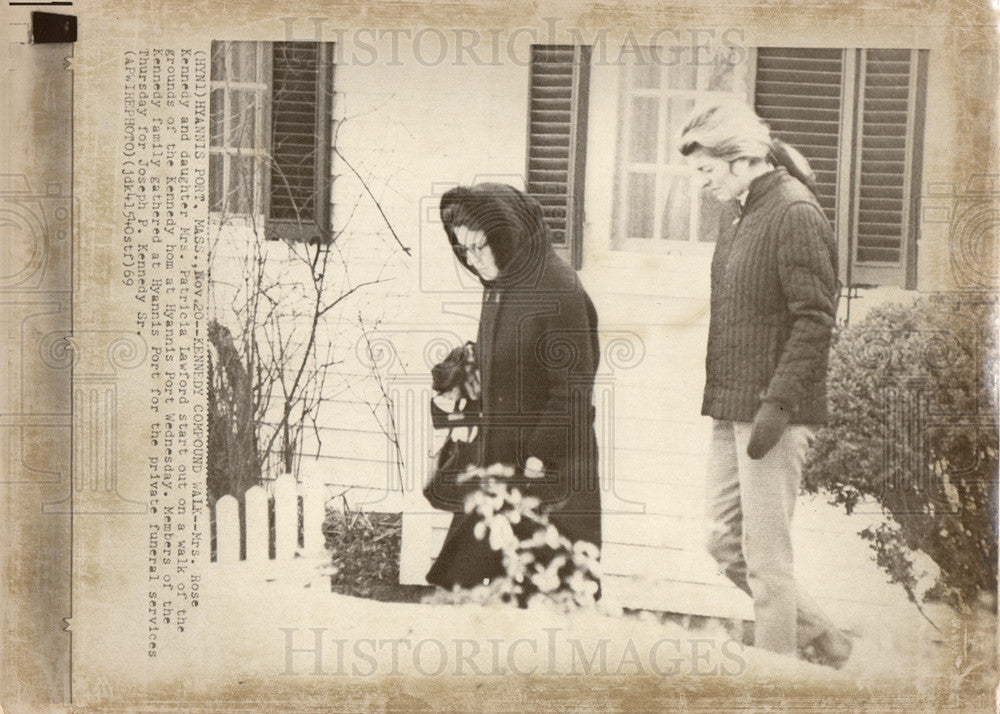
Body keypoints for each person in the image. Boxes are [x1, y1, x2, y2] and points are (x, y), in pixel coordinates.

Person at [679, 100, 853, 666]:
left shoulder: (794, 212)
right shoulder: (739, 213)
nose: (702, 183)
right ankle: (828, 640)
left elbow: (815, 317)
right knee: (723, 540)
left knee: (768, 562)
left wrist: (778, 405)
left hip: (772, 415)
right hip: (731, 408)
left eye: (707, 170)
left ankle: (775, 681)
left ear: (739, 159)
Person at [425, 183, 602, 593]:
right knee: (469, 589)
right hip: (500, 469)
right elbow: (510, 362)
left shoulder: (559, 290)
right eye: (462, 249)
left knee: (545, 599)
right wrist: (466, 376)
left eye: (480, 247)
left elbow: (572, 392)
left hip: (547, 476)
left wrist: (535, 465)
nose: (472, 260)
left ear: (509, 236)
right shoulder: (501, 285)